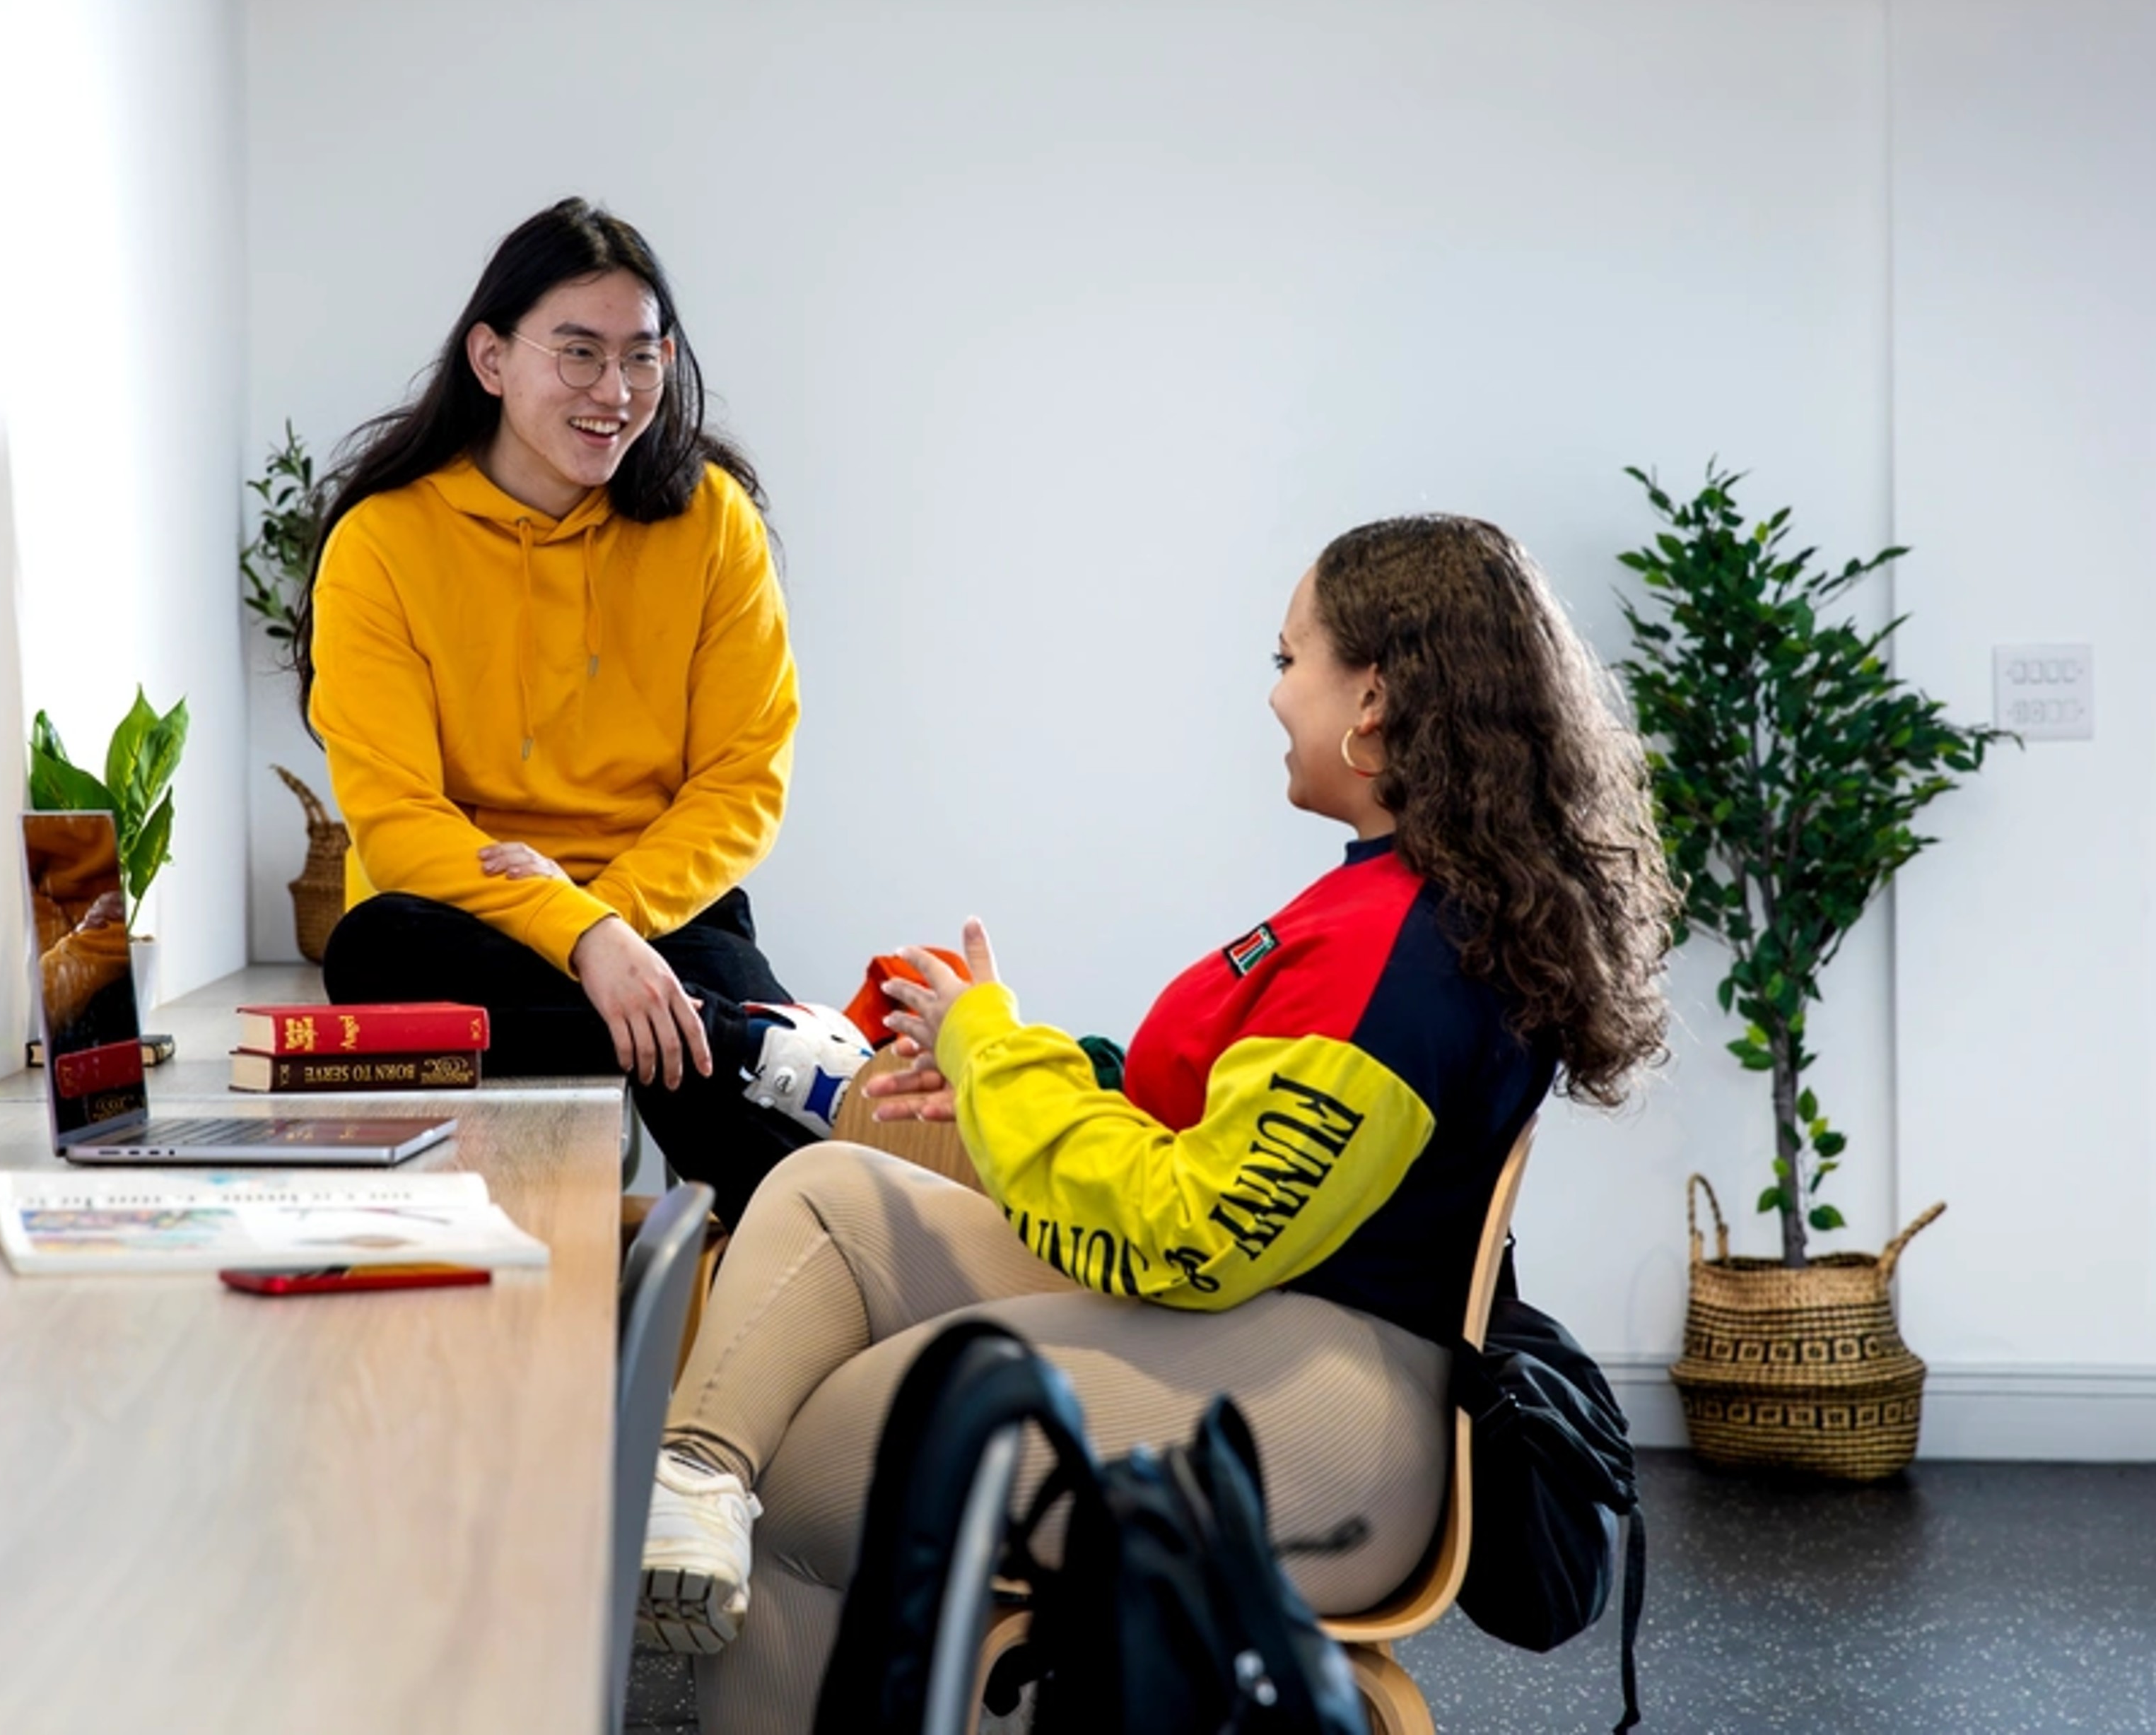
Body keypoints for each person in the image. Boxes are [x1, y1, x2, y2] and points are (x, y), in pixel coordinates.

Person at [631, 514, 1679, 1731]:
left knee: (814, 1471)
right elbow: (1195, 1119)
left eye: (1290, 660)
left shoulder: (1394, 955)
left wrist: (995, 1056)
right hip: (1276, 1327)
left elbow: (1189, 1231)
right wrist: (998, 1057)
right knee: (835, 1194)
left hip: (1343, 1406)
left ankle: (711, 1514)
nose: (1275, 694)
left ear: (1375, 696)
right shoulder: (1388, 904)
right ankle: (689, 1482)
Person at [293, 198, 868, 1223]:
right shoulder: (381, 544)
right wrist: (581, 935)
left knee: (772, 1182)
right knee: (370, 950)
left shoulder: (711, 520)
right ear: (490, 358)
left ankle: (840, 1297)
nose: (617, 391)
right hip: (467, 918)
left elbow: (743, 778)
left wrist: (619, 925)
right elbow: (397, 820)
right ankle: (756, 1044)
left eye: (642, 358)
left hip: (669, 906)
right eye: (579, 354)